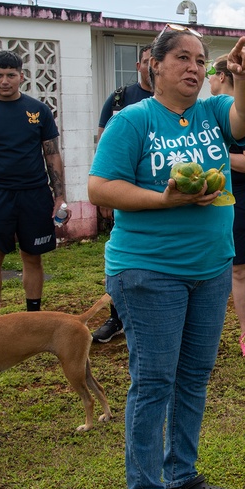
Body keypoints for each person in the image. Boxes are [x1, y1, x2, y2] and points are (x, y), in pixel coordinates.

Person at [89, 26, 245, 489]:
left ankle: (182, 472)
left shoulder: (209, 113)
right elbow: (100, 187)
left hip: (209, 269)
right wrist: (166, 199)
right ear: (154, 65)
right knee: (154, 381)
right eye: (182, 58)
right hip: (148, 272)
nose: (193, 67)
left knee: (193, 376)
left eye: (201, 60)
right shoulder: (133, 120)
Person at [0, 49, 69, 315]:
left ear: (22, 76)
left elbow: (52, 155)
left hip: (34, 194)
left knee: (32, 256)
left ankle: (33, 316)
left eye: (11, 75)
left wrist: (59, 197)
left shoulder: (38, 110)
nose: (5, 81)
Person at [92, 44, 154, 343]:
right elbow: (103, 143)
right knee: (123, 261)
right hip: (126, 194)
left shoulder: (178, 100)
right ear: (138, 65)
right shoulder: (121, 98)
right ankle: (116, 317)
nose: (151, 67)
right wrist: (107, 192)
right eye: (146, 62)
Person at [208, 55, 245, 356]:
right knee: (205, 268)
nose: (207, 80)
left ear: (222, 76)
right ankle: (205, 336)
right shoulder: (203, 114)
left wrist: (211, 156)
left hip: (239, 197)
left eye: (208, 72)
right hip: (205, 199)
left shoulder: (243, 113)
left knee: (240, 268)